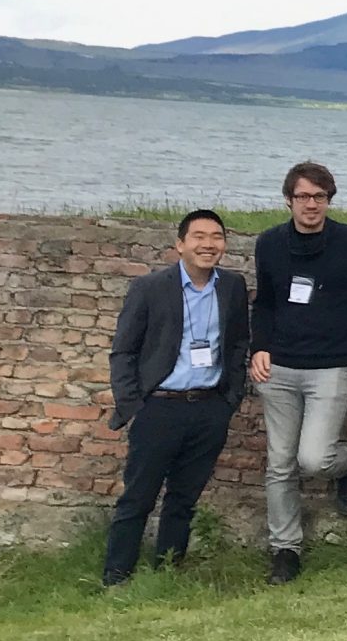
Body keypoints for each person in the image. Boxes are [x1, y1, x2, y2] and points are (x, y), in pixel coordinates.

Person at [250, 161, 347, 586]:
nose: (312, 204)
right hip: (280, 366)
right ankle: (285, 549)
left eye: (320, 197)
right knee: (281, 463)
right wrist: (259, 348)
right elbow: (265, 303)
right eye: (303, 196)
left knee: (315, 457)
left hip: (332, 365)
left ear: (329, 200)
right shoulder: (269, 243)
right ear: (288, 200)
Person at [102, 211, 248, 588]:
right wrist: (134, 405)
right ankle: (116, 575)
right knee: (138, 497)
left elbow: (236, 345)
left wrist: (229, 399)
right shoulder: (151, 288)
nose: (208, 244)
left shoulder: (231, 287)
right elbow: (123, 352)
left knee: (184, 499)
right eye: (198, 236)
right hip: (159, 407)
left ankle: (167, 570)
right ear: (180, 244)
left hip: (208, 407)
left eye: (216, 237)